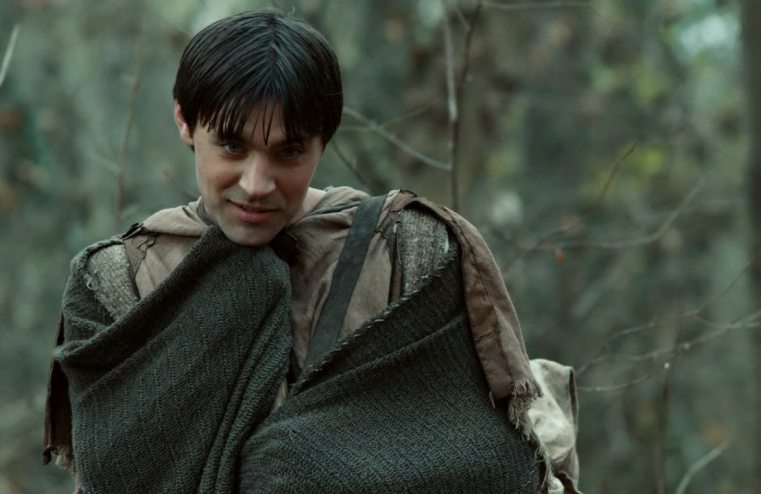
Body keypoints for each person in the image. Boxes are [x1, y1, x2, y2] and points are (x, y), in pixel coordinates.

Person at [43, 9, 579, 493]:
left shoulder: (408, 250)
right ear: (185, 121)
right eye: (231, 146)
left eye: (289, 153)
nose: (257, 184)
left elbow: (483, 458)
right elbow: (117, 474)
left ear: (325, 139)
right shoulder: (117, 280)